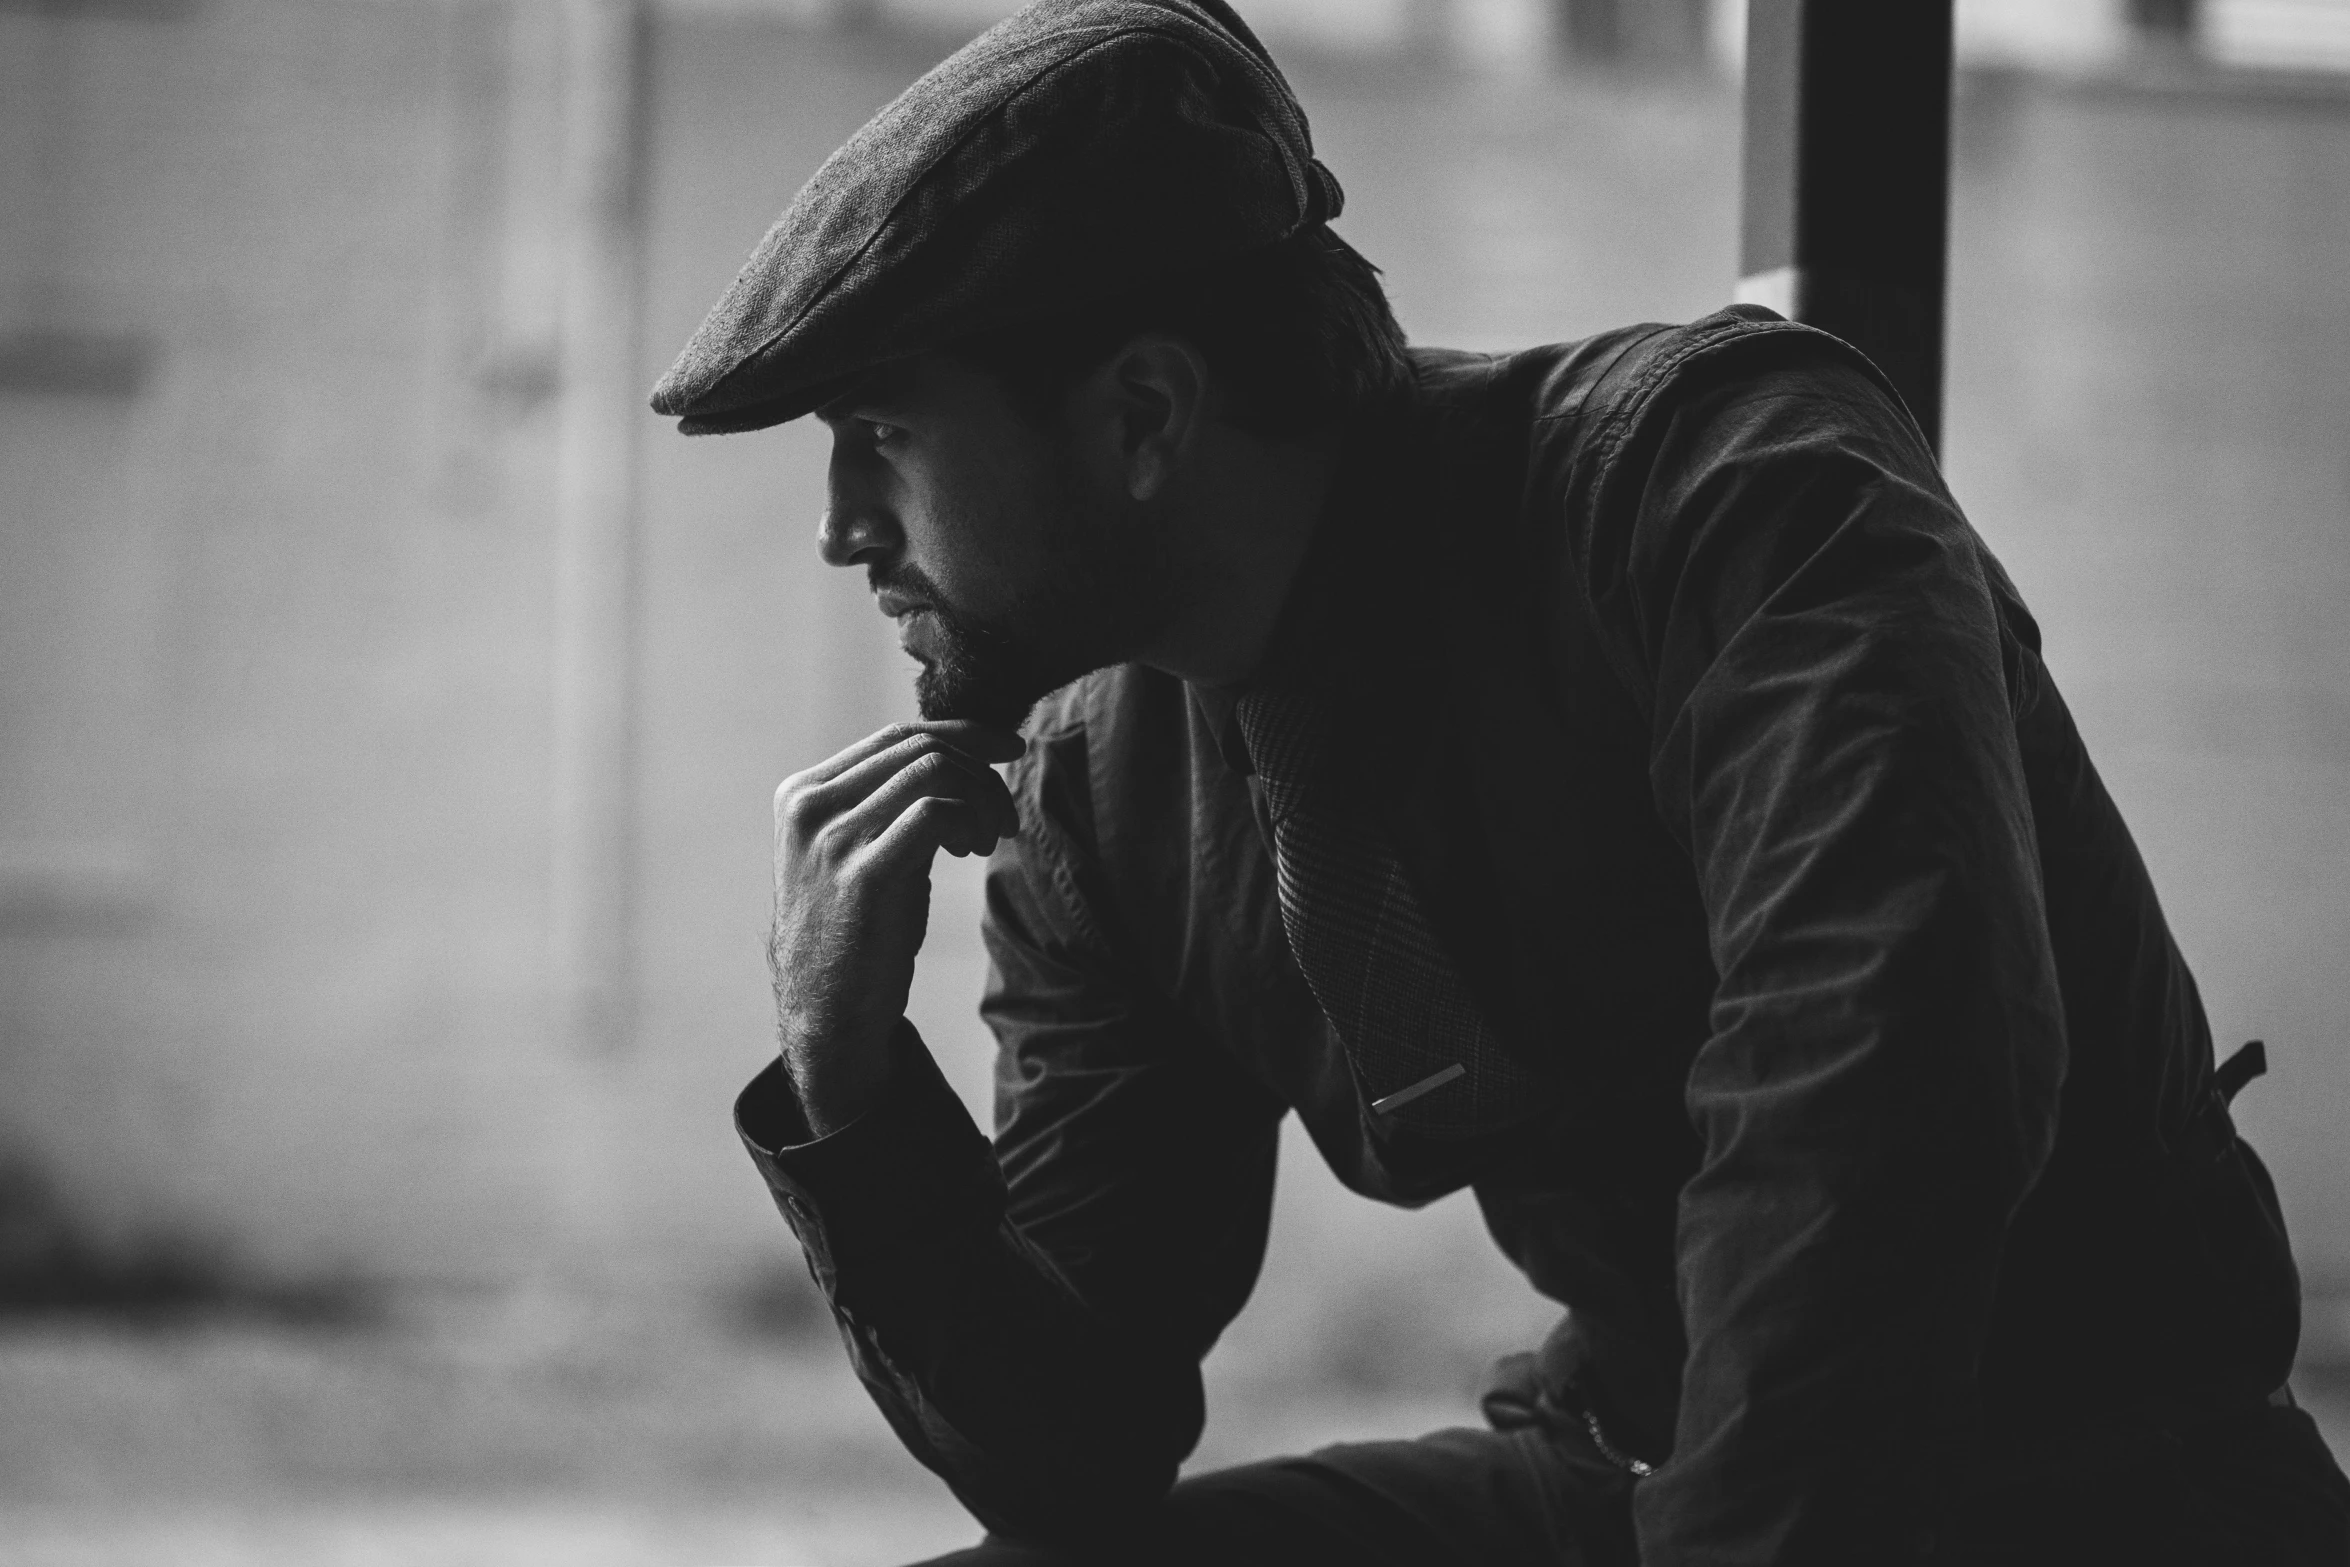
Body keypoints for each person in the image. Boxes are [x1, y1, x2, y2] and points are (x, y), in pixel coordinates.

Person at [649, 2, 2350, 1562]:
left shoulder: (1723, 494)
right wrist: (853, 1084)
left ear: (1144, 415)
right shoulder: (1103, 784)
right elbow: (1074, 1456)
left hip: (2091, 1491)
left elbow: (1876, 1106)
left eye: (882, 433)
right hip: (1626, 1471)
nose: (838, 529)